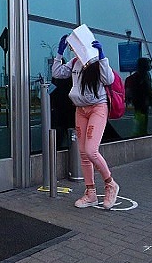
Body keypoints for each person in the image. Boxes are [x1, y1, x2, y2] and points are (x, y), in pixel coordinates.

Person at [51, 32, 119, 209]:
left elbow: (109, 79)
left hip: (98, 107)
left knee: (90, 150)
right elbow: (57, 73)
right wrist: (59, 53)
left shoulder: (96, 62)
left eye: (75, 45)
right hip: (80, 109)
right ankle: (90, 193)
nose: (74, 49)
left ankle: (110, 183)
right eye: (72, 46)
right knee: (83, 153)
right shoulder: (74, 63)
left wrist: (102, 57)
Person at [126, 57, 152, 137]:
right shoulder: (141, 76)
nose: (150, 65)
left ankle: (141, 132)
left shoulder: (142, 75)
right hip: (141, 101)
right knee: (141, 117)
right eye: (148, 63)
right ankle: (140, 133)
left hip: (140, 101)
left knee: (141, 117)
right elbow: (146, 89)